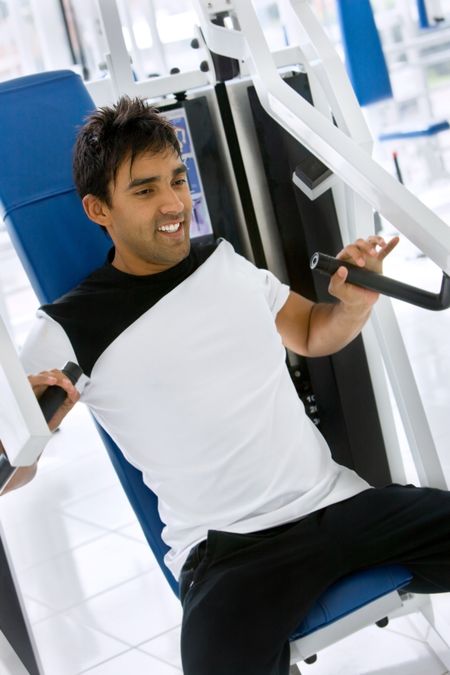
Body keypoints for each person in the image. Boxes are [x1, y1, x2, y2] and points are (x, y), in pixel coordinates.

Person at [4, 97, 450, 675]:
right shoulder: (68, 327)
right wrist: (29, 433)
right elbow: (13, 466)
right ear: (98, 210)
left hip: (339, 503)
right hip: (232, 553)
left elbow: (313, 332)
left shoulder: (221, 259)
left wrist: (352, 306)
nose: (173, 204)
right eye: (144, 191)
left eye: (177, 180)